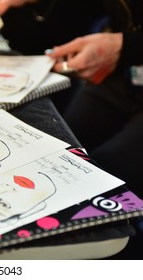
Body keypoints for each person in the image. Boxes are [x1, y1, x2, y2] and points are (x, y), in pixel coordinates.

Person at [44, 0, 143, 259]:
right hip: (121, 72)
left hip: (125, 54)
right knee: (54, 157)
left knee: (99, 192)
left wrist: (128, 46)